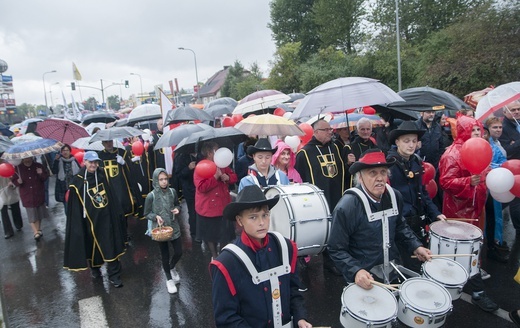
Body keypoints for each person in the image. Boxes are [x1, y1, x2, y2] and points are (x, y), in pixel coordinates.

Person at [210, 185, 312, 328]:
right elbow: (226, 317)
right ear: (240, 221)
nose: (262, 222)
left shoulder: (285, 247)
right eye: (253, 217)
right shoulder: (226, 263)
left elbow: (293, 290)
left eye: (265, 215)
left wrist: (300, 317)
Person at [328, 149, 431, 287]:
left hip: (392, 272)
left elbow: (400, 227)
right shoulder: (347, 206)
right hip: (364, 279)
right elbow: (336, 249)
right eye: (373, 173)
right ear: (360, 177)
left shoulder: (395, 196)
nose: (380, 178)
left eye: (383, 172)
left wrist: (416, 246)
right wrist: (356, 271)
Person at [439, 115, 499, 312]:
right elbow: (446, 181)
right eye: (472, 130)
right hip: (458, 211)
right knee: (460, 249)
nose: (476, 133)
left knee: (474, 248)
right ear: (463, 131)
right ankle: (475, 292)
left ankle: (465, 282)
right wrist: (467, 183)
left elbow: (485, 170)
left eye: (478, 130)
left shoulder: (481, 148)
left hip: (477, 208)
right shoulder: (452, 154)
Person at [386, 121, 446, 272]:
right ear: (397, 142)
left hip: (417, 221)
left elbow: (422, 192)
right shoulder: (388, 166)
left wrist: (435, 213)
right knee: (406, 267)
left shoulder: (416, 162)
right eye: (406, 141)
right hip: (399, 225)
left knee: (422, 262)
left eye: (414, 141)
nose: (411, 145)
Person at [64, 151, 126, 288]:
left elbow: (110, 195)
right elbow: (75, 208)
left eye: (95, 162)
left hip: (106, 218)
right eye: (91, 162)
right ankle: (95, 269)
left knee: (110, 244)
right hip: (89, 221)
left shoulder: (102, 174)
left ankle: (114, 274)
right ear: (84, 162)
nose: (94, 165)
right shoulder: (77, 182)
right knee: (92, 246)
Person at [295, 119, 345, 276]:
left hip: (336, 194)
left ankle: (337, 259)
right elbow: (300, 178)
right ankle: (326, 261)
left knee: (337, 229)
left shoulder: (336, 147)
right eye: (326, 129)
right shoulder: (304, 153)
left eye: (330, 129)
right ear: (316, 132)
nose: (330, 131)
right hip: (319, 200)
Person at [194, 141, 238, 259]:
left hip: (223, 205)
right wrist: (215, 178)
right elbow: (201, 187)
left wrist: (228, 177)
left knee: (224, 234)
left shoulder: (222, 164)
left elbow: (234, 176)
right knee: (210, 235)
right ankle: (214, 256)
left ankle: (223, 254)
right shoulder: (201, 167)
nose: (219, 152)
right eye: (216, 150)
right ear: (209, 153)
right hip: (208, 208)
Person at [144, 168, 182, 294]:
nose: (164, 182)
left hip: (173, 226)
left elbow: (177, 204)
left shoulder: (172, 191)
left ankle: (171, 267)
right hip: (160, 230)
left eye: (165, 179)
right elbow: (146, 213)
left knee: (179, 252)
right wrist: (155, 217)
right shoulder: (151, 196)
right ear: (156, 180)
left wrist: (177, 209)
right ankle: (169, 279)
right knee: (164, 255)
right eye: (161, 179)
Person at [484, 116, 509, 263]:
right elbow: (489, 164)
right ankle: (492, 244)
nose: (498, 130)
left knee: (496, 214)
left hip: (499, 183)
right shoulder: (488, 145)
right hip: (492, 184)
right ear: (488, 130)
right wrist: (504, 168)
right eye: (495, 127)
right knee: (491, 215)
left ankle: (495, 241)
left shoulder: (497, 142)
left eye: (500, 127)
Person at [500, 101, 520, 272]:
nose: (516, 112)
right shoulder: (504, 127)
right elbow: (508, 150)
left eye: (518, 109)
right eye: (513, 110)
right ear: (505, 112)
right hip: (512, 174)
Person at [98, 139, 140, 220]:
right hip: (110, 187)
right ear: (102, 143)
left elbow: (130, 170)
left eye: (110, 141)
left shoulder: (121, 152)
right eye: (106, 142)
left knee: (124, 212)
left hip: (122, 186)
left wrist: (124, 163)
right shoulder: (100, 156)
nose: (108, 143)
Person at [12, 156, 49, 241]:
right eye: (25, 158)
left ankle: (39, 229)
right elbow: (14, 180)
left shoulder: (38, 165)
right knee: (31, 213)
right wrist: (18, 182)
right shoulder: (18, 168)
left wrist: (41, 173)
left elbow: (45, 177)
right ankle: (35, 232)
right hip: (27, 194)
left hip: (38, 193)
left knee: (39, 212)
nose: (27, 160)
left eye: (29, 158)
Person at [344, 117, 377, 188]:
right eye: (362, 129)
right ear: (357, 130)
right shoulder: (349, 148)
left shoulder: (375, 147)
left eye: (368, 129)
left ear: (371, 130)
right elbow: (343, 173)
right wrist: (348, 163)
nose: (365, 132)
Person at [173, 152, 198, 239]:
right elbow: (178, 174)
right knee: (193, 211)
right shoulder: (180, 156)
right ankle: (194, 233)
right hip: (189, 189)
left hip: (200, 187)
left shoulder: (200, 153)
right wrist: (188, 168)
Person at [52, 144, 81, 211]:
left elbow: (79, 171)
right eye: (64, 150)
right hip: (63, 188)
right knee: (67, 208)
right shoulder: (59, 161)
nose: (65, 152)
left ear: (70, 151)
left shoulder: (74, 160)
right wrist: (56, 161)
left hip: (74, 187)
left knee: (76, 207)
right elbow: (54, 171)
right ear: (61, 152)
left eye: (67, 150)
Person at [0, 158, 23, 239]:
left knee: (15, 208)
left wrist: (12, 183)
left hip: (11, 192)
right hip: (1, 194)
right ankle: (8, 231)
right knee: (3, 212)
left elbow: (15, 178)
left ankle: (18, 224)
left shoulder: (8, 166)